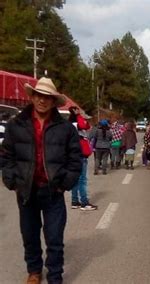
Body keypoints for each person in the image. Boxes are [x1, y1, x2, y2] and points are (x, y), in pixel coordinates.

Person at [2, 77, 82, 283]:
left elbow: (75, 160)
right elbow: (6, 156)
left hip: (52, 191)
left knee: (54, 238)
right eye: (39, 96)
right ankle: (34, 272)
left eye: (47, 97)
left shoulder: (66, 129)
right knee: (29, 235)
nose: (42, 101)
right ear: (32, 97)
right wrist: (12, 180)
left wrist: (64, 184)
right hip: (26, 191)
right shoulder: (15, 125)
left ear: (54, 101)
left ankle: (55, 275)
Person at [68, 106, 97, 211]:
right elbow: (84, 125)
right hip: (80, 154)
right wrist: (79, 115)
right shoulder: (76, 124)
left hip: (73, 154)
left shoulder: (69, 123)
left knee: (76, 179)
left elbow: (87, 126)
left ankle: (75, 201)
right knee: (82, 179)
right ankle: (84, 203)